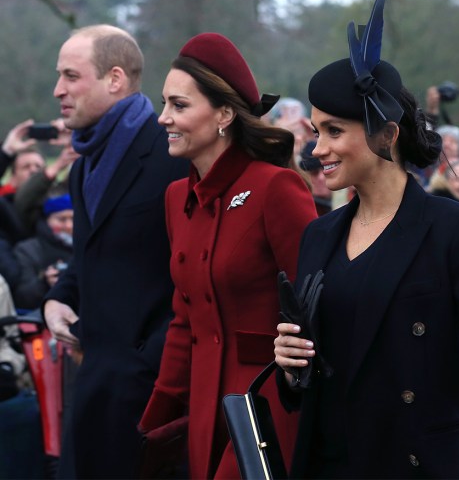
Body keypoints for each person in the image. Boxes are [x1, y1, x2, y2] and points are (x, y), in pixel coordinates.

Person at [273, 0, 459, 479]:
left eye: (334, 131)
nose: (318, 148)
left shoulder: (456, 229)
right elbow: (314, 375)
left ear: (386, 132)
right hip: (332, 463)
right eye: (316, 131)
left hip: (421, 464)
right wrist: (291, 365)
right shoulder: (319, 236)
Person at [138, 32, 317, 479]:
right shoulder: (177, 197)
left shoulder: (276, 187)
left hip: (267, 406)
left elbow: (317, 302)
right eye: (164, 104)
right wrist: (160, 412)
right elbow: (185, 319)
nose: (163, 118)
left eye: (179, 105)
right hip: (205, 408)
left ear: (223, 114)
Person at [42, 24, 187, 478]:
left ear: (115, 79)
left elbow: (199, 266)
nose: (57, 90)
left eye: (70, 76)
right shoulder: (82, 167)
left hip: (153, 393)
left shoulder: (171, 155)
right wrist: (60, 297)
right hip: (94, 386)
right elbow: (91, 251)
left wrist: (153, 357)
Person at [13, 191, 73, 312]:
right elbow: (21, 298)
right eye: (61, 219)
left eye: (73, 218)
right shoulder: (28, 250)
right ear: (47, 220)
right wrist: (45, 282)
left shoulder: (88, 247)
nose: (69, 225)